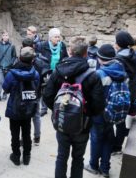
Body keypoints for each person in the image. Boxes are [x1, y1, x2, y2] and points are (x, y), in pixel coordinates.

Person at [43, 37, 105, 178]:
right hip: (82, 126)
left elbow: (47, 96)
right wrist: (85, 113)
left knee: (61, 156)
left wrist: (59, 109)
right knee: (78, 158)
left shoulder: (58, 71)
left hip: (62, 121)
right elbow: (99, 105)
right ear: (85, 54)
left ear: (69, 51)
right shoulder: (93, 76)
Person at [84, 44, 128, 178]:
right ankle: (105, 168)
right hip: (113, 112)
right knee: (108, 138)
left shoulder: (100, 73)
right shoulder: (121, 68)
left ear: (100, 58)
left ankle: (93, 165)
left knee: (96, 138)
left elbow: (92, 95)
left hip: (100, 112)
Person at [3, 47, 40, 166]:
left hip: (14, 107)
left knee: (14, 133)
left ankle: (16, 155)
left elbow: (5, 88)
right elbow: (38, 88)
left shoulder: (11, 74)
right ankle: (27, 156)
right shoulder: (36, 74)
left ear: (19, 58)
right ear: (32, 60)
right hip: (29, 107)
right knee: (27, 131)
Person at [113, 31, 136, 155]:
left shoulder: (119, 58)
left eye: (116, 40)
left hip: (122, 92)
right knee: (122, 121)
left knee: (119, 122)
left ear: (119, 43)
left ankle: (116, 146)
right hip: (131, 90)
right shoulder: (133, 54)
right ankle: (118, 145)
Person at [0, 30, 17, 104]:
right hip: (0, 66)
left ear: (8, 36)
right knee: (0, 81)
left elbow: (14, 56)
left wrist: (11, 63)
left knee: (7, 81)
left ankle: (5, 93)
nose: (5, 37)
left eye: (7, 35)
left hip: (8, 67)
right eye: (4, 35)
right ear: (2, 36)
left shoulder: (12, 46)